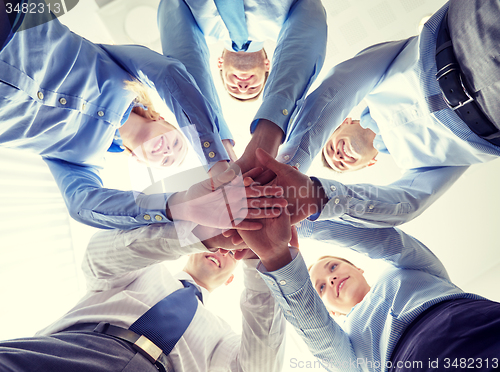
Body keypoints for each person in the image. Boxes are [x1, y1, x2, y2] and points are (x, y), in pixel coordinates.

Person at [0, 0, 283, 231]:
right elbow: (170, 73)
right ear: (162, 117)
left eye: (166, 160)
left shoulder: (81, 161)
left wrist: (181, 205)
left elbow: (82, 205)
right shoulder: (124, 72)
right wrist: (216, 160)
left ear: (140, 160)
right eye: (176, 143)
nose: (166, 151)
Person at [269, 0, 500, 226]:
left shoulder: (374, 85)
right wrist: (316, 196)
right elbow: (407, 205)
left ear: (344, 122)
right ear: (369, 164)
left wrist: (292, 164)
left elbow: (338, 86)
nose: (337, 157)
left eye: (330, 148)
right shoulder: (417, 167)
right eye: (340, 165)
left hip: (467, 30)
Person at [0, 222, 287, 372]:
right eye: (221, 246)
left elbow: (260, 366)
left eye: (231, 254)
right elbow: (99, 257)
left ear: (231, 280)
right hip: (77, 348)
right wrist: (205, 234)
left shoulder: (225, 336)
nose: (222, 252)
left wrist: (260, 260)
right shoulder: (147, 268)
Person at [243, 214, 500, 371]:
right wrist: (279, 258)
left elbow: (387, 242)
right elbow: (317, 332)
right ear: (330, 310)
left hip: (480, 322)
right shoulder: (348, 342)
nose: (331, 278)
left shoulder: (408, 268)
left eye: (333, 266)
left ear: (359, 267)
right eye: (321, 287)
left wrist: (298, 224)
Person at [158, 0, 327, 171]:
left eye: (234, 88)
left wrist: (216, 142)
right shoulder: (289, 17)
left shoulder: (196, 22)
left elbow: (181, 49)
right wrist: (271, 127)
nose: (243, 87)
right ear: (268, 65)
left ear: (220, 65)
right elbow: (311, 14)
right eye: (254, 88)